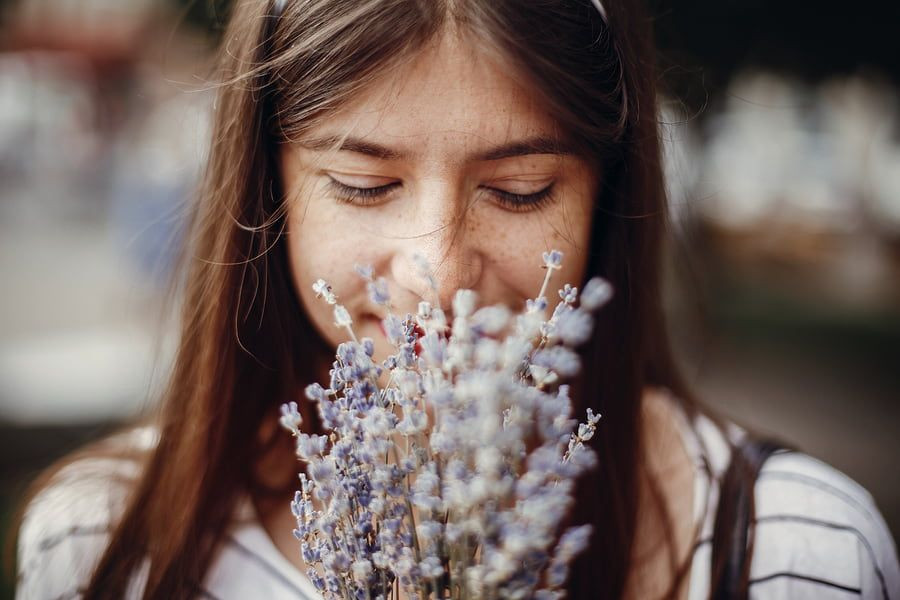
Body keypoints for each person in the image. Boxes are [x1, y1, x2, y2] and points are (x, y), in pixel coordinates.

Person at [9, 0, 899, 598]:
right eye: (362, 184)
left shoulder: (795, 552)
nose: (437, 277)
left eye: (518, 192)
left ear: (607, 197)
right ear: (269, 191)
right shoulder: (101, 544)